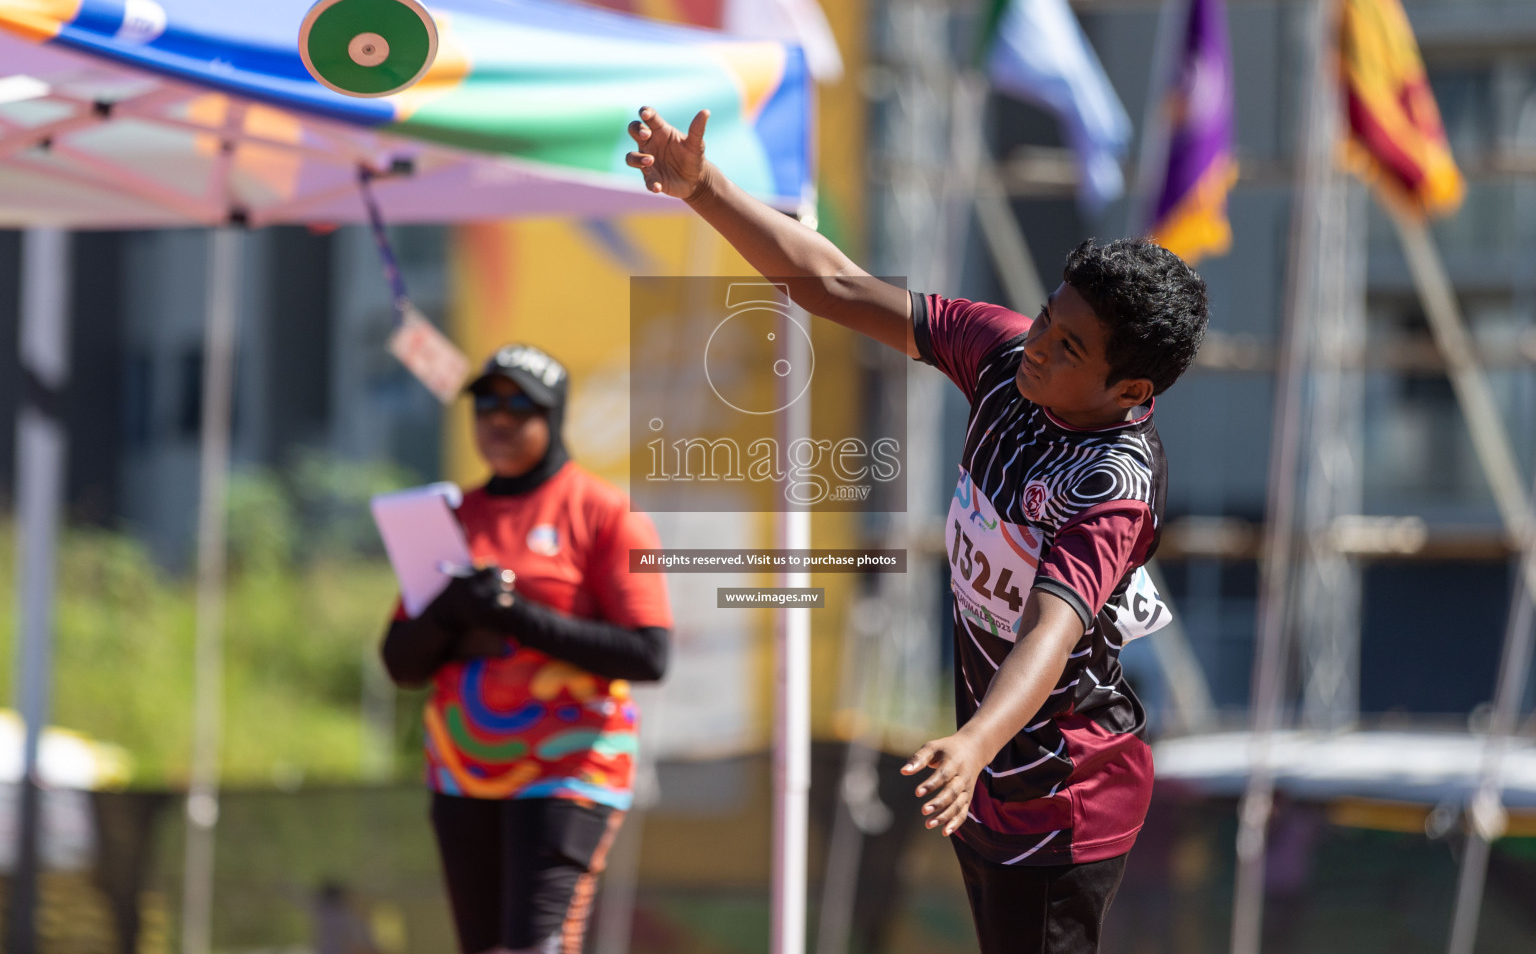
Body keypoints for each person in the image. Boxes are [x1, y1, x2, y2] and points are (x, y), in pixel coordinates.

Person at [625, 107, 1207, 954]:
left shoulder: (1112, 483)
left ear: (1131, 392)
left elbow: (1051, 630)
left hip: (1059, 787)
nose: (1040, 343)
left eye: (1071, 345)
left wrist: (973, 744)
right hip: (983, 768)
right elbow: (834, 284)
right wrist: (705, 189)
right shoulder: (1009, 359)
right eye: (1048, 316)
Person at [380, 343, 672, 954]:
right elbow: (401, 663)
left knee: (536, 947)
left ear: (555, 416)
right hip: (463, 771)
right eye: (487, 405)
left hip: (569, 767)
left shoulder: (605, 512)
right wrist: (448, 610)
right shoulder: (449, 517)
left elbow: (648, 654)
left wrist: (515, 616)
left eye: (520, 406)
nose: (500, 421)